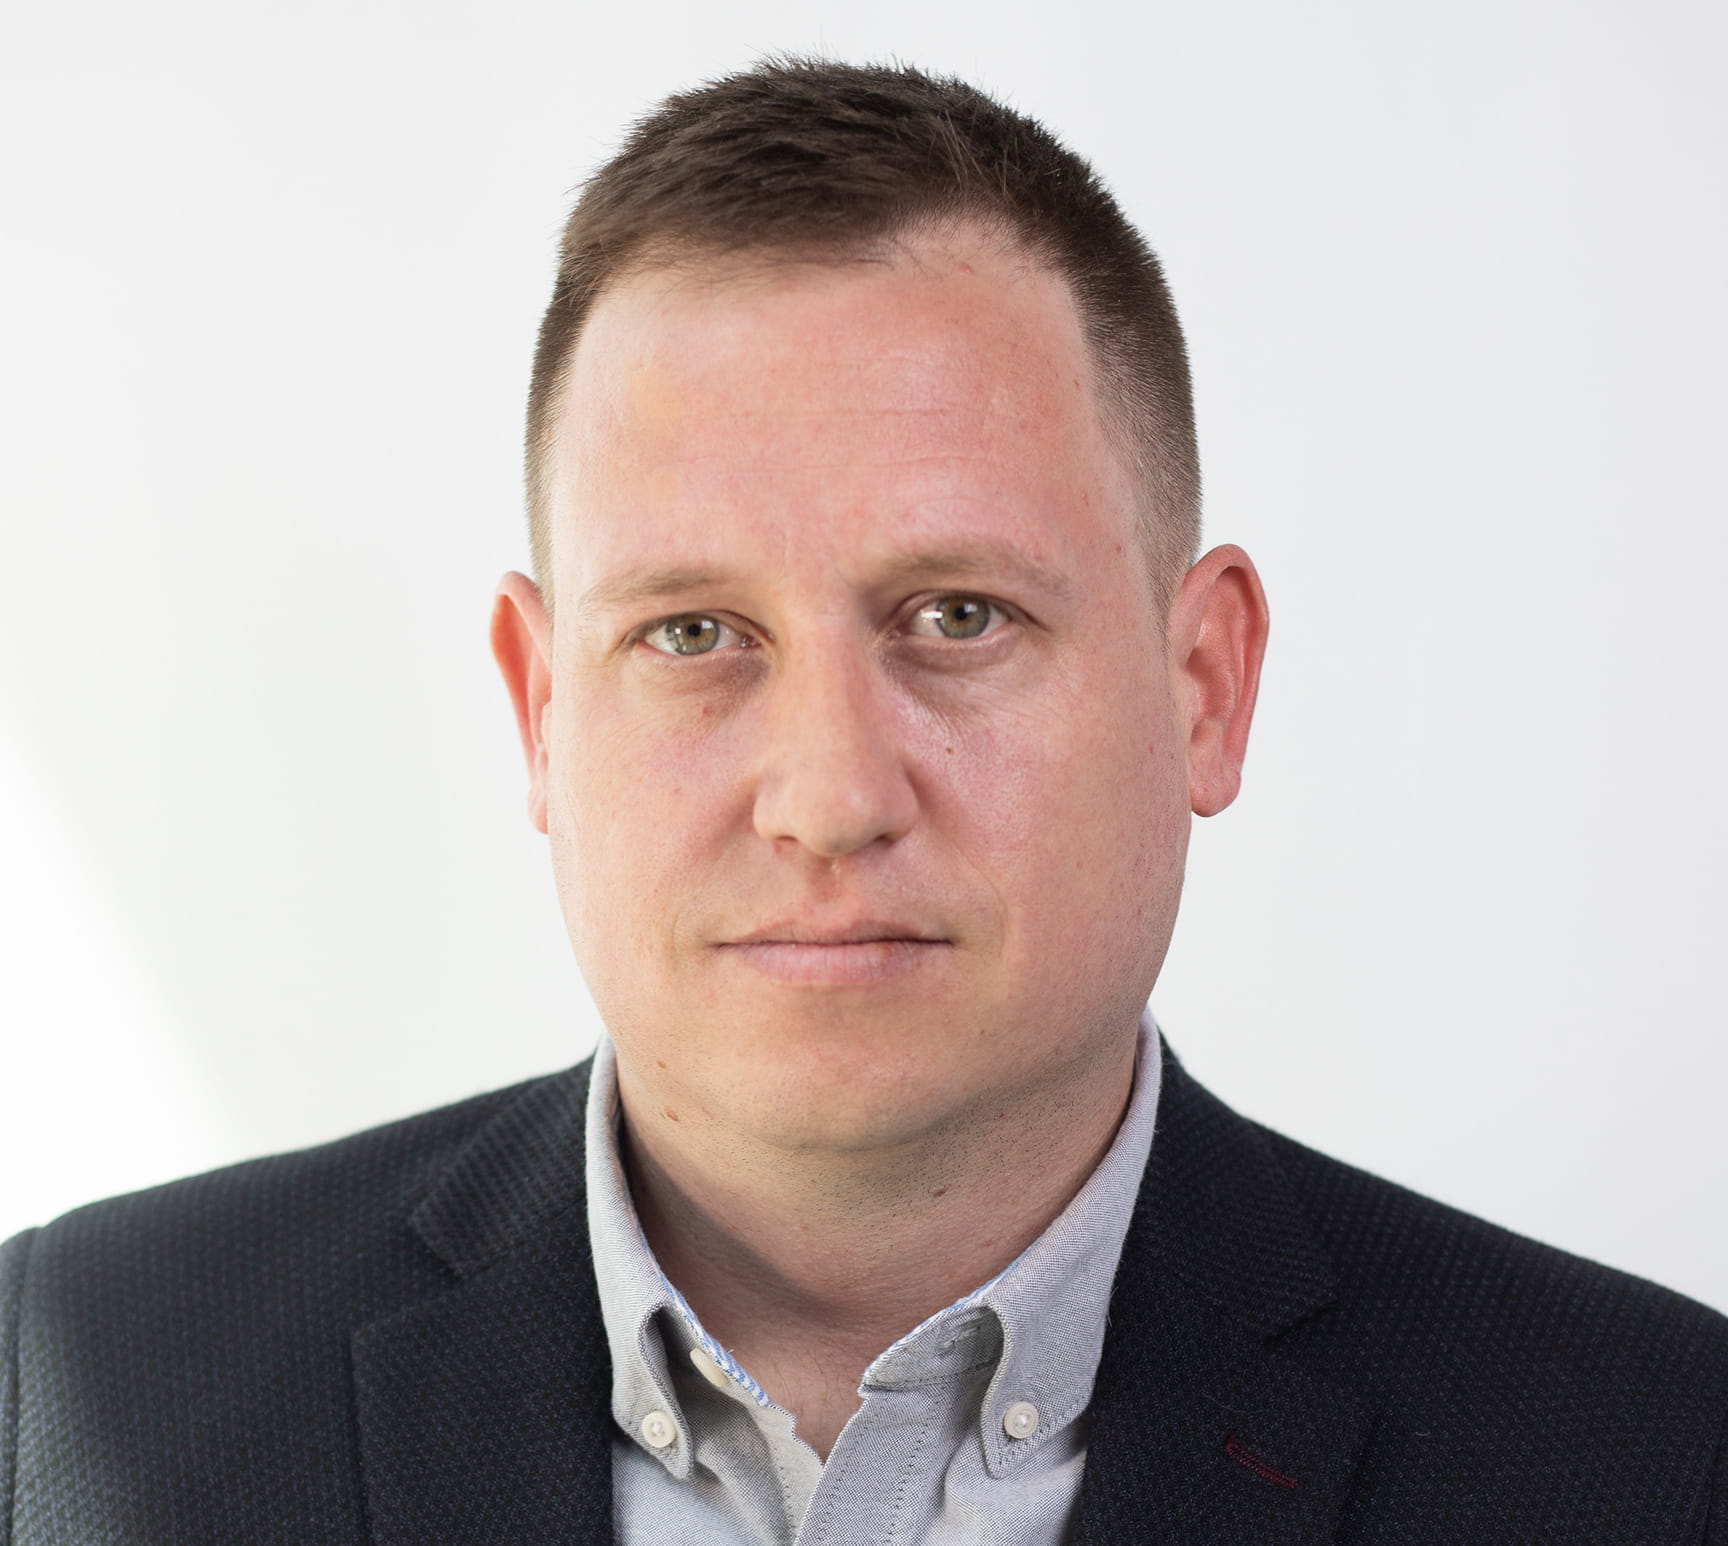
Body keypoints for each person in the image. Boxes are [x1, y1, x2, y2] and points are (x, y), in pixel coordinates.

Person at [1, 56, 1723, 1546]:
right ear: (538, 710)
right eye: (693, 632)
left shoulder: (1650, 1461)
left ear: (1206, 682)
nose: (829, 796)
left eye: (957, 617)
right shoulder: (81, 1390)